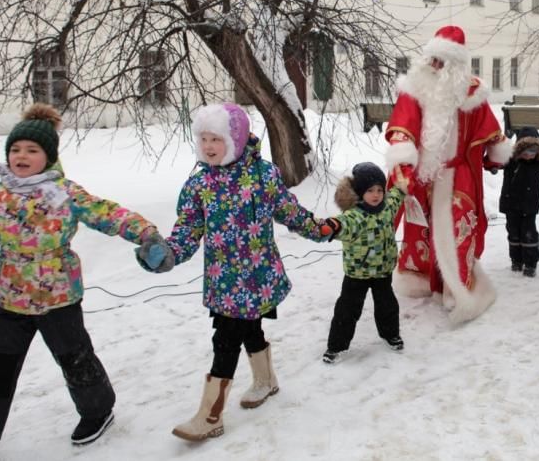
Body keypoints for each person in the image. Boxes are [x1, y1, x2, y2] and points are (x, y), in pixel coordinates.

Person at [0, 103, 163, 461]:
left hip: (59, 297)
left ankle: (98, 411)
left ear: (49, 157)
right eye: (15, 149)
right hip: (12, 299)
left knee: (76, 360)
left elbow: (108, 213)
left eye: (31, 150)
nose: (21, 156)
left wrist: (146, 234)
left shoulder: (65, 193)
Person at [135, 102, 329, 442]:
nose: (208, 146)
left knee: (226, 342)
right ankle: (266, 382)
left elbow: (289, 211)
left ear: (236, 140)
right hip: (224, 281)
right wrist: (167, 254)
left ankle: (211, 416)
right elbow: (187, 232)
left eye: (217, 139)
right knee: (245, 332)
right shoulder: (199, 185)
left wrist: (321, 228)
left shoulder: (263, 175)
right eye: (204, 139)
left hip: (258, 278)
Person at [384, 25, 511, 323]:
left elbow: (488, 129)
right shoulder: (416, 89)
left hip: (458, 177)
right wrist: (403, 159)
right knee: (420, 232)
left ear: (456, 65)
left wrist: (497, 150)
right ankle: (422, 282)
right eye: (433, 60)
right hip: (422, 177)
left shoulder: (470, 95)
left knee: (458, 231)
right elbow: (403, 127)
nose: (436, 66)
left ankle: (456, 289)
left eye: (443, 61)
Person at [319, 162, 409, 364]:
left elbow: (395, 197)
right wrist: (332, 226)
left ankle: (390, 334)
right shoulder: (354, 215)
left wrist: (401, 188)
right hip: (356, 274)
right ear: (360, 192)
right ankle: (336, 346)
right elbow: (342, 224)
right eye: (370, 190)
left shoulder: (387, 208)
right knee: (347, 310)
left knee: (387, 306)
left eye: (379, 190)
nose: (376, 195)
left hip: (383, 270)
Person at [498, 127, 539, 277]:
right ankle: (516, 260)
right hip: (511, 205)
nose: (528, 156)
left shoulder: (538, 164)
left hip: (529, 206)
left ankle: (531, 263)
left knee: (529, 234)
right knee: (513, 233)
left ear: (538, 152)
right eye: (525, 152)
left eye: (533, 152)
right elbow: (496, 162)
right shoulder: (511, 162)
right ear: (518, 151)